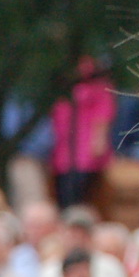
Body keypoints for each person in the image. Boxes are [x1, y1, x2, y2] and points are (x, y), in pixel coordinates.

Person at [50, 57, 116, 208]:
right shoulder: (66, 88)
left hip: (85, 149)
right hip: (65, 148)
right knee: (64, 187)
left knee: (83, 189)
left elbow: (103, 117)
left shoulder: (99, 88)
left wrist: (99, 142)